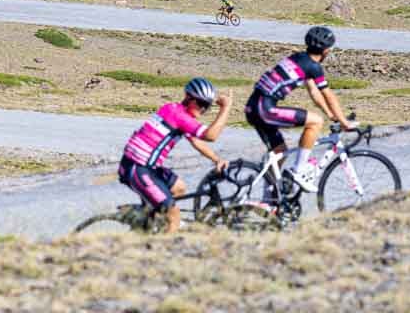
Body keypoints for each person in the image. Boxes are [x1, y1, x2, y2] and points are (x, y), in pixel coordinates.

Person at [243, 26, 353, 193]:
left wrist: (331, 115)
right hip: (264, 108)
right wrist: (344, 121)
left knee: (280, 152)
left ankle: (270, 201)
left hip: (253, 106)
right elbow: (328, 95)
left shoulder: (299, 58)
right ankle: (299, 170)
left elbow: (314, 92)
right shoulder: (314, 67)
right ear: (325, 50)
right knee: (316, 122)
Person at [119, 78, 232, 234]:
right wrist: (225, 108)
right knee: (174, 216)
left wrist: (217, 160)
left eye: (207, 106)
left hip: (145, 166)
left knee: (178, 188)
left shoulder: (172, 108)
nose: (203, 109)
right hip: (137, 169)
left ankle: (149, 224)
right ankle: (161, 252)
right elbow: (210, 136)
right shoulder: (180, 117)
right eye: (201, 104)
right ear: (190, 98)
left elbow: (196, 141)